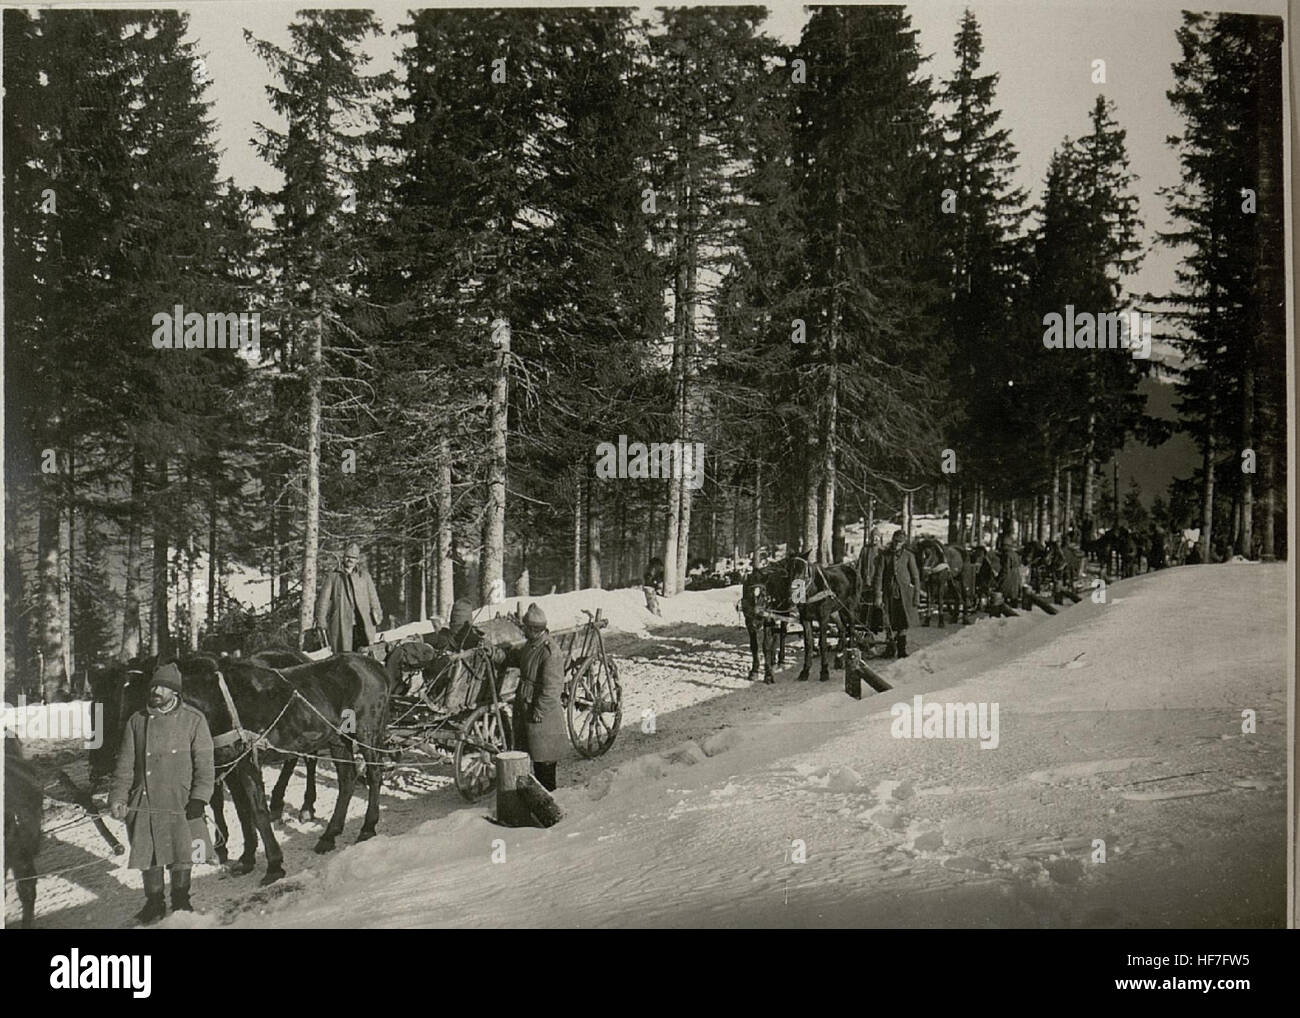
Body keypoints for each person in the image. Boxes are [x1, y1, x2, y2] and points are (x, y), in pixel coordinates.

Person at [109, 661, 214, 924]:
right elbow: (124, 766)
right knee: (149, 854)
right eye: (153, 685)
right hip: (145, 800)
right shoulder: (137, 721)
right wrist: (119, 797)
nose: (155, 690)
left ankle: (181, 901)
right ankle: (154, 903)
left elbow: (205, 765)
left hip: (181, 800)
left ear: (175, 692)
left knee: (182, 853)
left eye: (162, 687)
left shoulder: (194, 720)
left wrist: (200, 798)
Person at [510, 603, 567, 791]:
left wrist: (539, 710)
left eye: (526, 628)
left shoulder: (550, 652)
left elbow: (552, 688)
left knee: (545, 763)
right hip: (528, 706)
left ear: (534, 630)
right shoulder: (532, 645)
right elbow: (516, 659)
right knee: (532, 756)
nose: (523, 631)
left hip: (543, 716)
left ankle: (551, 804)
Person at [315, 542, 384, 653]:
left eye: (353, 558)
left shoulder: (364, 576)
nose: (350, 560)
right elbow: (323, 600)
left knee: (363, 654)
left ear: (357, 560)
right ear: (343, 558)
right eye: (348, 557)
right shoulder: (333, 576)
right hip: (342, 622)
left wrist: (377, 613)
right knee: (344, 654)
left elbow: (373, 597)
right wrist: (321, 620)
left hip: (362, 623)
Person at [871, 529, 921, 658]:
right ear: (892, 540)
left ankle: (902, 649)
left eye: (899, 542)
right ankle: (890, 648)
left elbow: (915, 577)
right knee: (889, 621)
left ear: (903, 543)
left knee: (903, 621)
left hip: (905, 594)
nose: (896, 544)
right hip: (889, 593)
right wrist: (878, 595)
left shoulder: (909, 556)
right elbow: (878, 576)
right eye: (895, 541)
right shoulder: (884, 556)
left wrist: (916, 596)